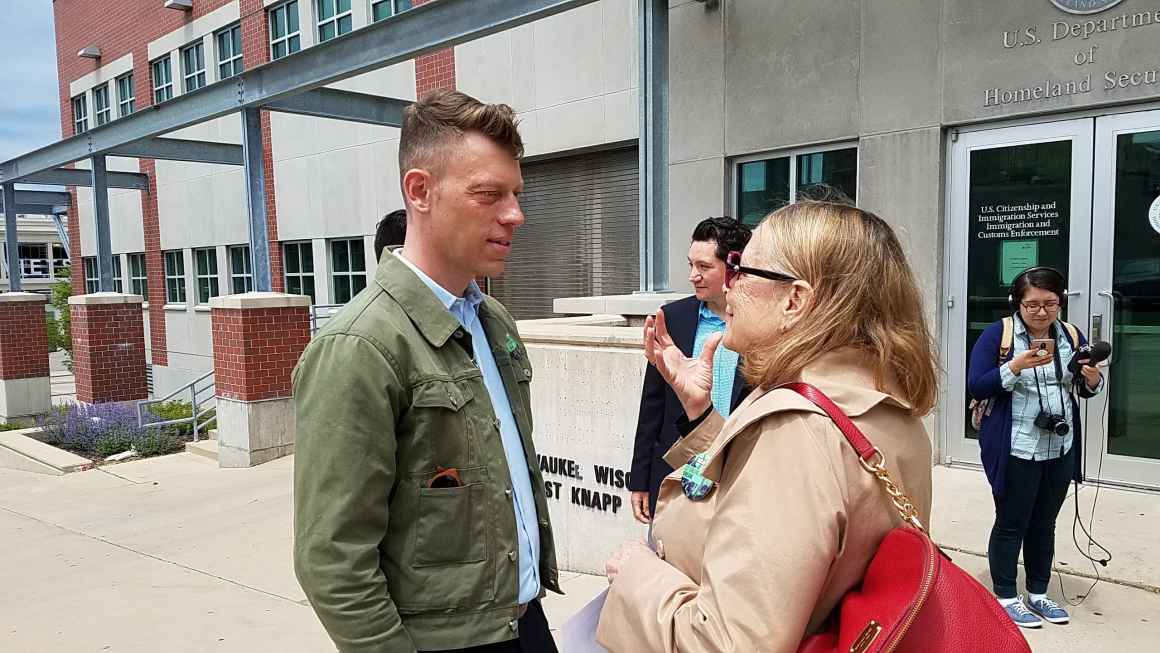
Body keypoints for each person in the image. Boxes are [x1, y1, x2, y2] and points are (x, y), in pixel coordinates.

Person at [597, 200, 941, 652]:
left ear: (795, 300)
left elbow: (728, 644)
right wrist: (702, 415)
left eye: (741, 269)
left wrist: (637, 575)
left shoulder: (797, 432)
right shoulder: (881, 404)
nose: (728, 286)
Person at [293, 89, 561, 653]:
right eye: (489, 194)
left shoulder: (493, 321)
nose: (515, 214)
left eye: (516, 194)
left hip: (522, 623)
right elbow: (333, 562)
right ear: (420, 191)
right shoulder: (360, 346)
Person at [968, 266, 1104, 629]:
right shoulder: (1000, 334)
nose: (1041, 312)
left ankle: (1039, 593)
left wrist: (1093, 379)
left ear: (1060, 302)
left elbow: (1083, 389)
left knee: (1044, 524)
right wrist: (1014, 366)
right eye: (1032, 305)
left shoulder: (1072, 336)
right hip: (1017, 446)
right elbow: (977, 385)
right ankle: (1006, 595)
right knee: (1012, 523)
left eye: (1050, 303)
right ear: (1018, 303)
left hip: (1060, 446)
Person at [628, 217, 752, 524]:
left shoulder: (760, 325)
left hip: (737, 476)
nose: (693, 276)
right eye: (690, 265)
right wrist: (640, 478)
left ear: (733, 267)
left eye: (704, 266)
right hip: (677, 472)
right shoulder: (671, 318)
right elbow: (651, 406)